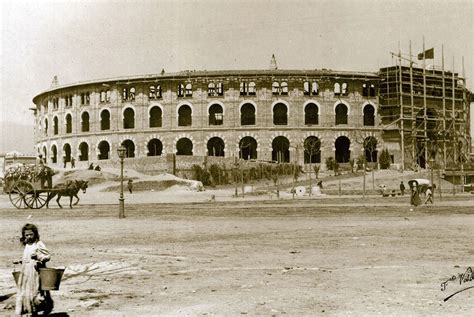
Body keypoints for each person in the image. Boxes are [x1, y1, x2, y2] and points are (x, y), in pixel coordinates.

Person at [14, 223, 54, 316]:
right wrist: (20, 260)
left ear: (35, 234)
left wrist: (38, 257)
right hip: (25, 272)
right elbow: (26, 257)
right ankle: (29, 310)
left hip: (35, 272)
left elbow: (47, 256)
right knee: (25, 291)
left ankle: (36, 309)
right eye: (26, 235)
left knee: (34, 291)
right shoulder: (27, 245)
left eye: (31, 234)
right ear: (24, 235)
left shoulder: (39, 244)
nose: (29, 237)